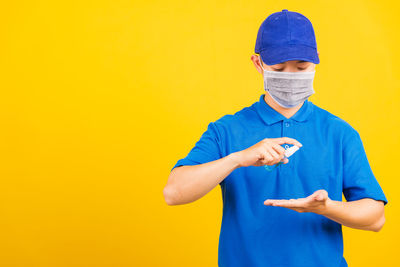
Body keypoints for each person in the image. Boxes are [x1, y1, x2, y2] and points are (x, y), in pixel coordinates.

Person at [163, 9, 388, 267]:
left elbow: (375, 218)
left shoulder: (339, 133)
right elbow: (174, 192)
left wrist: (325, 208)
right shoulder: (226, 130)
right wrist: (237, 159)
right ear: (258, 64)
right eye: (279, 68)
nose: (291, 76)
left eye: (301, 67)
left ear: (315, 62)